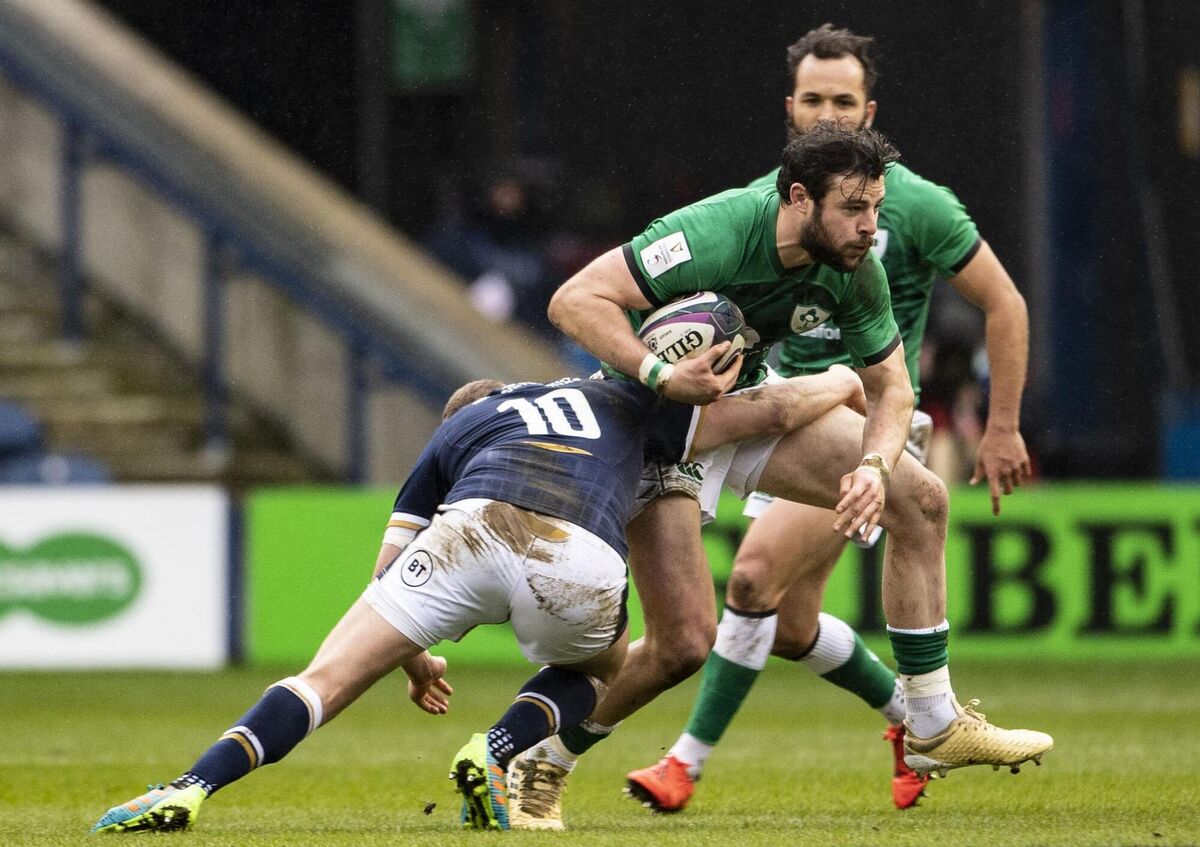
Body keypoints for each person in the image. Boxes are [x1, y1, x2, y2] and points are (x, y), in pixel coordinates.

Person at [507, 124, 1050, 830]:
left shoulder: (857, 267)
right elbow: (574, 300)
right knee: (681, 645)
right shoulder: (718, 231)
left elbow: (892, 387)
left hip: (744, 410)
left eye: (877, 209)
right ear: (798, 197)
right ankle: (544, 758)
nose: (869, 227)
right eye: (854, 209)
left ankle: (932, 723)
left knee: (919, 497)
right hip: (654, 422)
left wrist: (875, 467)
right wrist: (663, 372)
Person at [89, 362, 868, 834]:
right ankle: (493, 750)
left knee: (320, 680)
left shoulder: (453, 434)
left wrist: (415, 654)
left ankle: (189, 785)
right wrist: (842, 379)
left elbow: (386, 567)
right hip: (577, 553)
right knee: (600, 668)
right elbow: (768, 411)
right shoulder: (614, 399)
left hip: (466, 530)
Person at [624, 24, 1034, 814]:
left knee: (749, 580)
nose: (827, 116)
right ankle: (916, 724)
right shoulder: (784, 199)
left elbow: (1004, 301)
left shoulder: (909, 204)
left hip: (874, 423)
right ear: (790, 106)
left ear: (868, 107)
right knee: (793, 624)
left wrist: (1003, 424)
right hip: (782, 415)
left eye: (843, 101)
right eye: (812, 100)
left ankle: (683, 763)